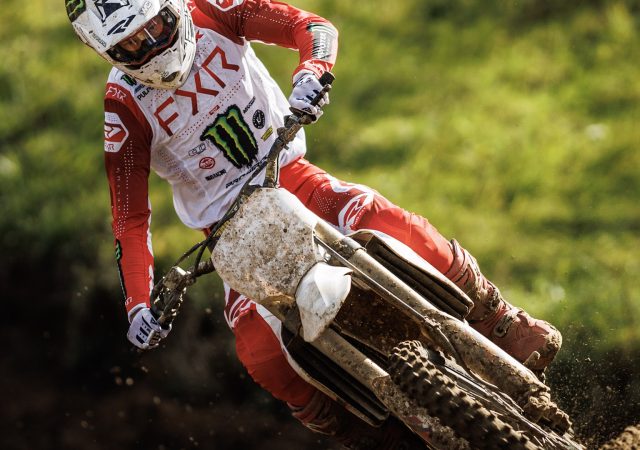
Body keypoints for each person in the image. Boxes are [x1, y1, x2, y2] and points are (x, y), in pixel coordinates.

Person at [65, 0, 562, 447]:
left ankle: (497, 318)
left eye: (155, 27)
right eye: (130, 46)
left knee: (384, 220)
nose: (151, 48)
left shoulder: (213, 10)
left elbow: (312, 27)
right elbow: (129, 217)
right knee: (260, 356)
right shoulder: (123, 108)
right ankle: (360, 433)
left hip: (292, 176)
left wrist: (312, 72)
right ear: (103, 51)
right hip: (228, 235)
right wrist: (137, 304)